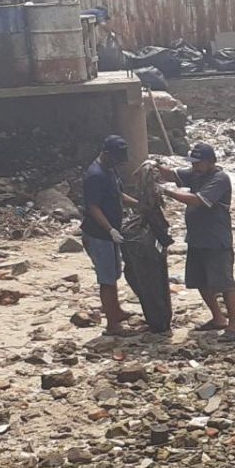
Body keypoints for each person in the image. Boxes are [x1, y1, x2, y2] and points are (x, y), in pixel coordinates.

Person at [157, 143, 235, 343]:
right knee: (200, 281)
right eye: (192, 163)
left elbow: (198, 201)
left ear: (211, 162)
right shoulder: (196, 173)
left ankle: (233, 325)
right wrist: (153, 168)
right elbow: (171, 175)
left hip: (216, 240)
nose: (194, 167)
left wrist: (167, 193)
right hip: (196, 238)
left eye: (198, 163)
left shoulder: (219, 179)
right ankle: (218, 318)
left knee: (224, 283)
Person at [80, 135, 139, 336]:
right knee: (107, 279)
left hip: (111, 232)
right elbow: (93, 207)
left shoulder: (110, 170)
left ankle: (116, 310)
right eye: (116, 159)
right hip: (98, 235)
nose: (118, 163)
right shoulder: (95, 175)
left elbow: (118, 195)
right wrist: (109, 230)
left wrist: (140, 205)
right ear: (106, 154)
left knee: (114, 273)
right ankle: (112, 325)